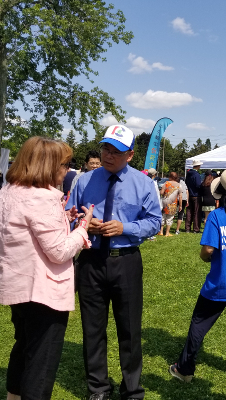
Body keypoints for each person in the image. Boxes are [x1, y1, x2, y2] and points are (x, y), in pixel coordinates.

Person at [0, 136, 94, 400]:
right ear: (47, 165)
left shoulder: (9, 190)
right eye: (65, 165)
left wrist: (64, 218)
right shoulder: (42, 198)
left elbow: (26, 230)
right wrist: (83, 228)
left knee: (24, 345)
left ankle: (13, 396)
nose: (68, 171)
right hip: (42, 291)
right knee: (41, 359)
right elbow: (60, 251)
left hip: (17, 285)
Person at [66, 124, 161, 400]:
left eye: (116, 152)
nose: (108, 155)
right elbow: (68, 215)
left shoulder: (143, 183)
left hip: (126, 261)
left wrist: (124, 228)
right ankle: (98, 388)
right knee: (92, 328)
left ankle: (132, 390)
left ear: (130, 155)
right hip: (91, 261)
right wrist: (83, 224)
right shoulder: (84, 181)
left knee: (129, 329)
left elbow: (154, 222)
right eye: (105, 149)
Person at [169, 168, 226, 386]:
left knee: (199, 325)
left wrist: (205, 258)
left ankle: (184, 370)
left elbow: (208, 250)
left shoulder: (217, 217)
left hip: (220, 282)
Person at [159, 171, 182, 237]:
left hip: (164, 202)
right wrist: (180, 205)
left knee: (163, 216)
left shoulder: (166, 183)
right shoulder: (179, 185)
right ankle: (167, 233)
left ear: (170, 177)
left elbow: (161, 192)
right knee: (170, 218)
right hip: (173, 203)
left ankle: (161, 231)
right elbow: (180, 196)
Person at [185, 160, 203, 233]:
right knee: (196, 212)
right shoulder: (196, 174)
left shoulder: (188, 174)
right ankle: (196, 228)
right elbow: (198, 185)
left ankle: (187, 228)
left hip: (189, 194)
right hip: (196, 195)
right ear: (198, 166)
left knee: (189, 212)